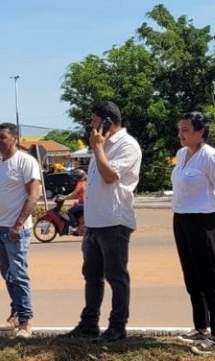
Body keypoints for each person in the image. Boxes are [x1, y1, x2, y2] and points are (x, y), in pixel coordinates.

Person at [64, 101, 142, 343]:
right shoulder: (103, 144)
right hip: (95, 222)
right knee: (92, 275)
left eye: (94, 121)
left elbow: (109, 177)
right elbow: (95, 188)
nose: (91, 126)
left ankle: (117, 326)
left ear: (108, 121)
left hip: (114, 221)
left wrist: (97, 147)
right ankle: (89, 323)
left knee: (116, 277)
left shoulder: (127, 145)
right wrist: (86, 218)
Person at [170, 112, 215, 355]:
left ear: (200, 132)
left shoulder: (211, 157)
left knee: (210, 280)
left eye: (186, 130)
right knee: (192, 277)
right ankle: (201, 328)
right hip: (181, 219)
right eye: (180, 129)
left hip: (205, 221)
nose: (181, 134)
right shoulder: (181, 155)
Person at [0, 123, 42, 338]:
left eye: (3, 137)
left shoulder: (26, 162)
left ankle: (26, 321)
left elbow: (33, 195)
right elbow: (0, 195)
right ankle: (16, 314)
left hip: (15, 229)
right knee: (8, 275)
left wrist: (18, 224)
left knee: (19, 275)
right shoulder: (0, 166)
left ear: (15, 139)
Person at [61, 168, 87, 234]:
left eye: (75, 177)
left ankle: (74, 227)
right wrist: (65, 197)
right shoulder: (85, 182)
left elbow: (74, 194)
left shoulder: (80, 184)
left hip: (84, 203)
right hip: (86, 203)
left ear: (78, 177)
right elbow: (75, 195)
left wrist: (63, 198)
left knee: (70, 211)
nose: (74, 179)